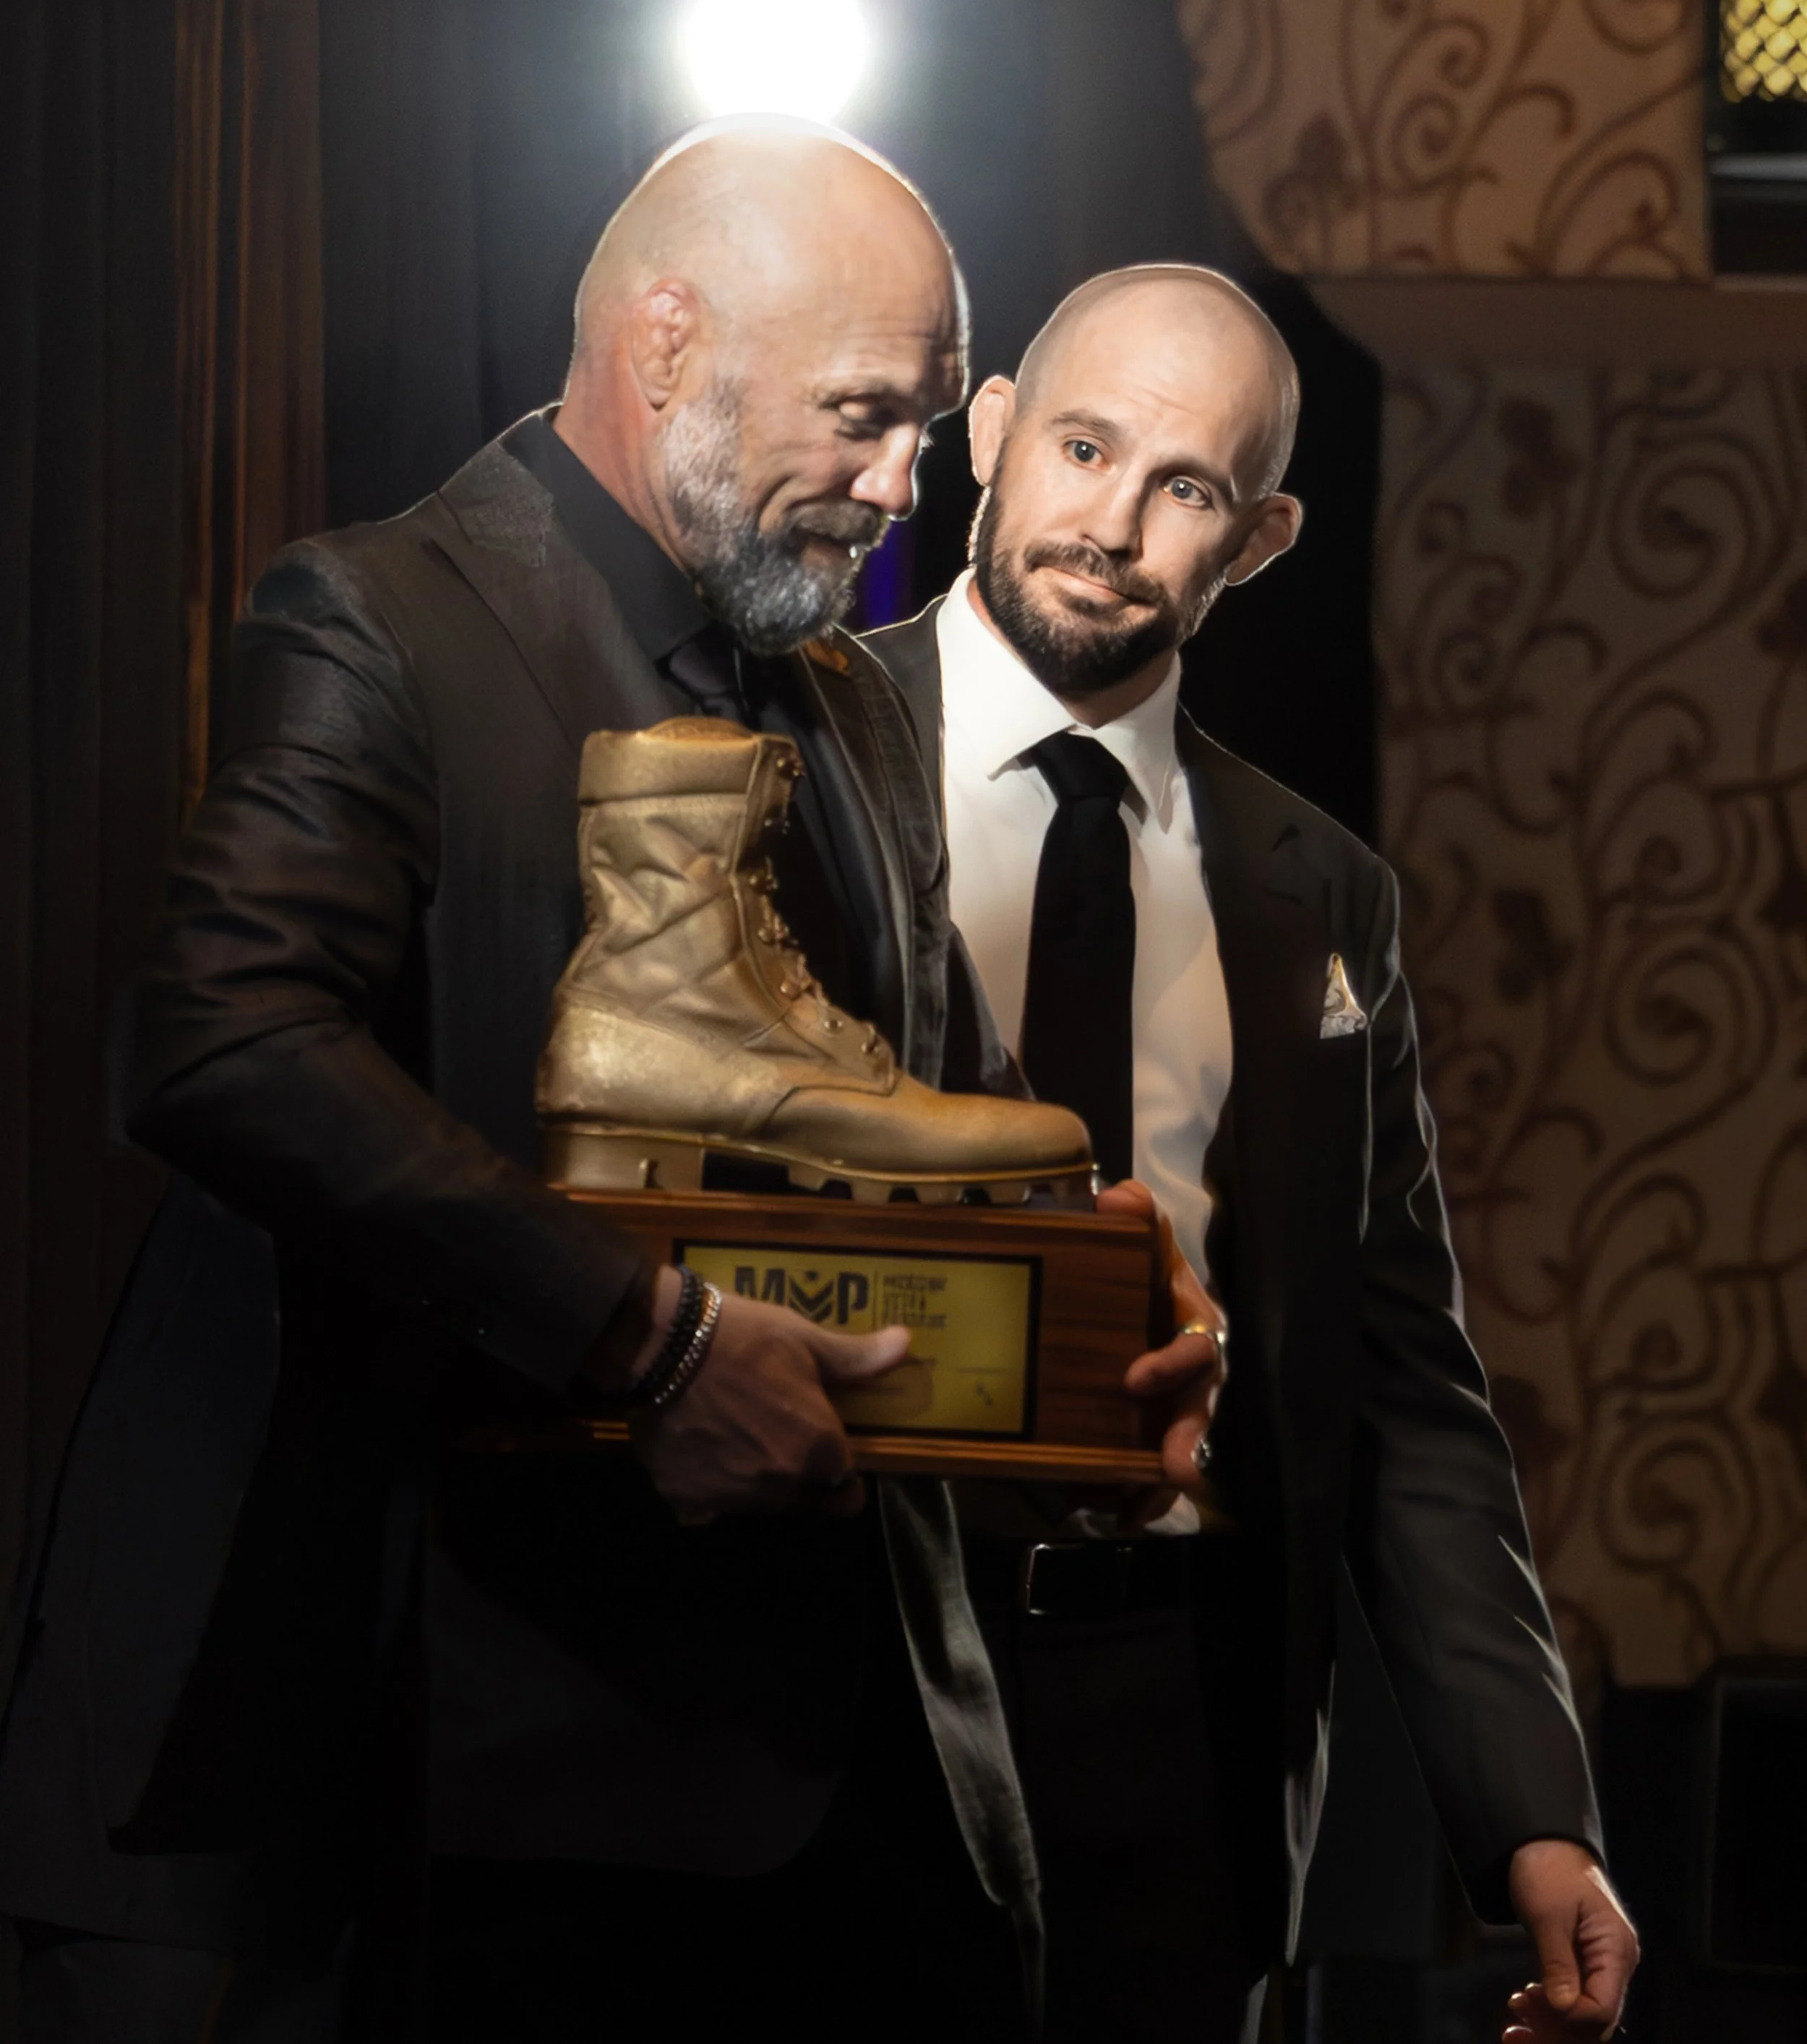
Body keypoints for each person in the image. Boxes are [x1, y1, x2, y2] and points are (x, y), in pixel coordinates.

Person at [0, 123, 1111, 2043]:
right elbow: (221, 1038)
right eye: (863, 414)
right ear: (666, 344)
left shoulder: (846, 700)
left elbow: (964, 1139)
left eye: (920, 427)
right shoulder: (382, 614)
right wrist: (648, 1339)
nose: (900, 484)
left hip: (829, 1817)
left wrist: (1092, 1371)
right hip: (411, 1793)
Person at [870, 265, 1641, 2044]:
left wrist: (1529, 1807)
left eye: (1188, 488)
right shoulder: (782, 755)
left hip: (1183, 1731)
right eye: (1080, 445)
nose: (1113, 526)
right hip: (849, 1679)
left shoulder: (1321, 894)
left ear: (1261, 536)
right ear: (987, 433)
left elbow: (1404, 1388)